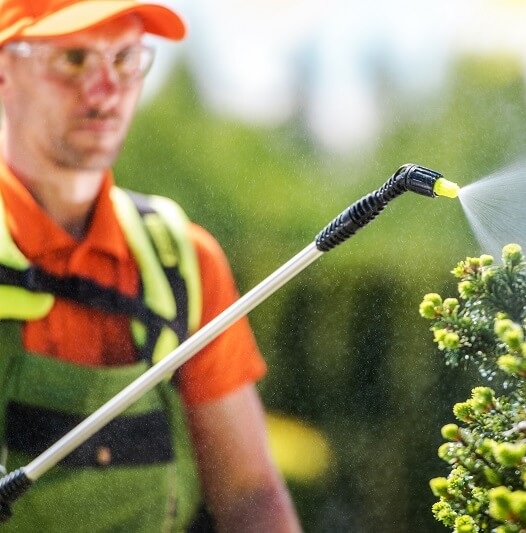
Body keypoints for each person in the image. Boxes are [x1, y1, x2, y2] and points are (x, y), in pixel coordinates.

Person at [0, 0, 302, 531]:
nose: (106, 90)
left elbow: (250, 495)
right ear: (5, 67)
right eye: (74, 59)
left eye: (125, 59)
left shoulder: (182, 261)